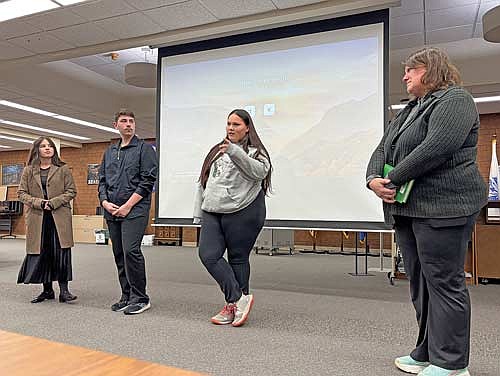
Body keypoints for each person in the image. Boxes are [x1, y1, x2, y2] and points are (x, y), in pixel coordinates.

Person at [366, 47, 488, 376]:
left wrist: (390, 178)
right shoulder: (409, 110)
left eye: (412, 70)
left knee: (444, 282)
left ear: (431, 70)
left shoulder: (455, 100)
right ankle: (426, 351)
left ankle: (451, 363)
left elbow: (437, 147)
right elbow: (383, 148)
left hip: (445, 207)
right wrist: (372, 179)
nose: (405, 76)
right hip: (410, 209)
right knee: (420, 283)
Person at [194, 109, 272, 327]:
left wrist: (235, 152)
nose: (230, 128)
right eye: (228, 123)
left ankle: (232, 306)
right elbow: (204, 181)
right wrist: (197, 212)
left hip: (244, 210)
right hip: (212, 209)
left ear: (247, 127)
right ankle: (239, 299)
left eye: (236, 124)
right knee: (208, 255)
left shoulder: (256, 152)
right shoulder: (217, 150)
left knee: (237, 258)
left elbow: (259, 173)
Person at [98, 109, 157, 315]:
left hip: (135, 209)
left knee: (131, 251)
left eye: (132, 121)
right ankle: (127, 295)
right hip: (112, 210)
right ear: (116, 125)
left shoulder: (145, 149)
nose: (128, 124)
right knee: (119, 253)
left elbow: (147, 181)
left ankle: (141, 298)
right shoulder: (110, 152)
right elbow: (102, 181)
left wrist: (128, 206)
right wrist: (104, 202)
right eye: (124, 121)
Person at [17, 136, 77, 303]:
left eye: (50, 146)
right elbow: (21, 193)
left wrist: (54, 202)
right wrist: (40, 203)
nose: (48, 148)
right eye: (43, 146)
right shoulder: (29, 170)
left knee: (61, 252)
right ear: (37, 150)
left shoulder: (63, 168)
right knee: (43, 252)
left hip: (59, 217)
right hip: (38, 217)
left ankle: (64, 291)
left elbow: (71, 191)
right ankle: (47, 290)